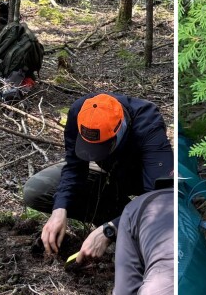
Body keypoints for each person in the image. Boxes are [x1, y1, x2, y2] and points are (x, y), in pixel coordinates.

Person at [23, 93, 172, 263]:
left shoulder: (148, 124)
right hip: (108, 171)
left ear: (121, 128)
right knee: (36, 190)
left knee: (160, 218)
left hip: (140, 178)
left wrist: (111, 229)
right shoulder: (81, 113)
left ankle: (126, 227)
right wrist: (60, 208)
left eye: (102, 146)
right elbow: (74, 167)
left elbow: (160, 198)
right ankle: (115, 217)